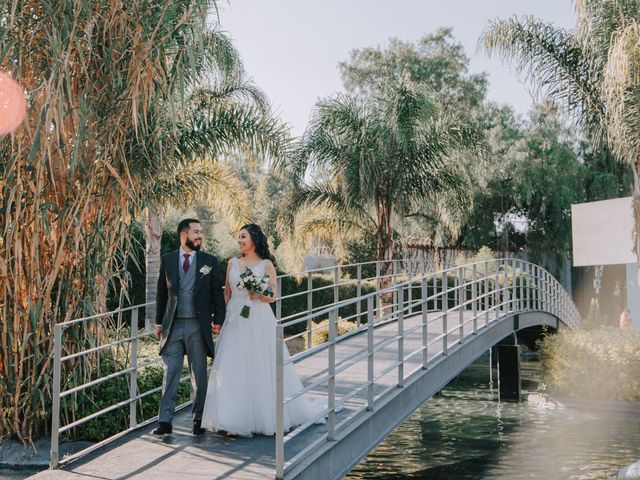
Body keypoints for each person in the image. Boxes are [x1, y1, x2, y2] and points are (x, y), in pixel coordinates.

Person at [201, 223, 323, 436]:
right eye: (238, 237)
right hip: (234, 319)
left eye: (243, 237)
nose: (239, 241)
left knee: (259, 365)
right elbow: (227, 293)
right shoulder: (232, 263)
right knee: (232, 365)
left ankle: (260, 417)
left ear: (254, 239)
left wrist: (256, 292)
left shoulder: (266, 265)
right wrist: (218, 318)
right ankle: (231, 420)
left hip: (258, 318)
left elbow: (271, 296)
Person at [152, 218, 226, 436]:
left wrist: (218, 319)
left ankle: (198, 419)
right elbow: (161, 293)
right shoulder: (168, 259)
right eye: (196, 232)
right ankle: (165, 421)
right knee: (171, 372)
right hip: (172, 326)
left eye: (201, 232)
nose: (200, 236)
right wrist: (158, 322)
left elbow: (216, 292)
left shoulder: (209, 261)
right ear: (183, 235)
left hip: (198, 325)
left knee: (199, 375)